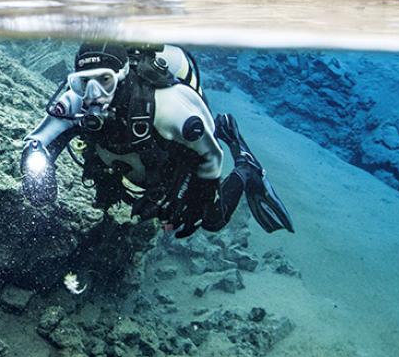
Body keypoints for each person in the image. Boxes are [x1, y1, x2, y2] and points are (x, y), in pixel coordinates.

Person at [19, 42, 294, 238]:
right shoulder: (73, 101)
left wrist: (197, 201)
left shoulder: (168, 108)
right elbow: (37, 142)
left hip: (174, 155)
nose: (93, 94)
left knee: (212, 221)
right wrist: (38, 174)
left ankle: (247, 167)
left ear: (123, 75)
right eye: (83, 83)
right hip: (129, 163)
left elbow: (211, 156)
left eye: (104, 80)